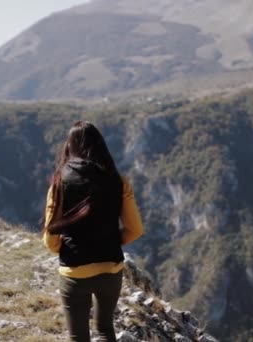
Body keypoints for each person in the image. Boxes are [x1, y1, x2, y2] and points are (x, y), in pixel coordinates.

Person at [42, 121, 144, 342]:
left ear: (70, 147)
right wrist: (111, 242)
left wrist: (67, 248)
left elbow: (50, 240)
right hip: (111, 268)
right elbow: (135, 229)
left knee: (78, 337)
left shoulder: (59, 184)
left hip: (74, 272)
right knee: (106, 330)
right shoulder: (119, 182)